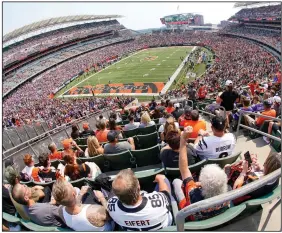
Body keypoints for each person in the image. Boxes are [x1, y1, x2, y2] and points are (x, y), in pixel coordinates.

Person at [172, 126, 229, 220]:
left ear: (202, 186)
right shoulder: (229, 193)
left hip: (190, 215)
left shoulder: (193, 193)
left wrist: (182, 141)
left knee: (176, 181)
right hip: (218, 217)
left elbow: (184, 169)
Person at [107, 169, 173, 231]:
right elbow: (166, 194)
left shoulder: (111, 207)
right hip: (163, 228)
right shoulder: (158, 202)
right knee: (165, 180)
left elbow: (112, 195)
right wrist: (160, 178)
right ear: (139, 186)